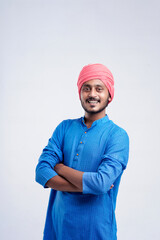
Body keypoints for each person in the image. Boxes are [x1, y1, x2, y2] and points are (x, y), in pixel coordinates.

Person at [35, 63, 129, 240]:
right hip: (59, 230)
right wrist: (89, 185)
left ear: (109, 95)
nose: (92, 94)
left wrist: (60, 168)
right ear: (80, 93)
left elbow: (102, 184)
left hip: (97, 232)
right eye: (87, 88)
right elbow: (41, 172)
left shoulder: (117, 136)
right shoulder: (64, 128)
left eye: (99, 89)